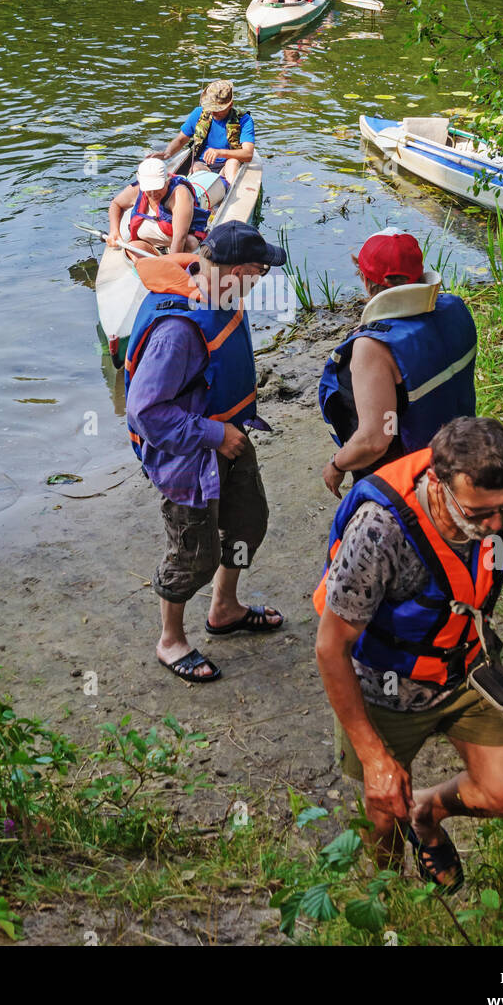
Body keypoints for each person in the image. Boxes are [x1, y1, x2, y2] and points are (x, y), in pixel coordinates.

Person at [315, 416, 503, 892]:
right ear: (437, 484)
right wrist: (375, 760)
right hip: (384, 688)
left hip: (464, 669)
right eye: (478, 514)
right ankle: (392, 896)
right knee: (383, 813)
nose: (497, 525)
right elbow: (330, 648)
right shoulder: (378, 533)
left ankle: (426, 813)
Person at [124, 221, 287, 683]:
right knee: (194, 552)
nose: (262, 279)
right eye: (259, 271)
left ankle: (225, 608)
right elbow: (145, 412)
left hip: (227, 437)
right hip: (188, 456)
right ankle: (170, 640)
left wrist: (227, 435)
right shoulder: (177, 331)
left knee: (248, 524)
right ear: (238, 272)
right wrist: (215, 435)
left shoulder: (220, 293)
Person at [319, 229, 477, 495]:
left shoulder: (373, 346)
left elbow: (374, 441)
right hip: (463, 452)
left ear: (366, 280)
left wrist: (336, 465)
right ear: (420, 273)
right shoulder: (455, 308)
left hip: (416, 479)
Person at [158, 80, 255, 204]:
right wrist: (167, 153)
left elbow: (248, 154)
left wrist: (220, 153)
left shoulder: (244, 120)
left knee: (232, 163)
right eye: (211, 107)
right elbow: (181, 139)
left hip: (227, 166)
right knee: (196, 167)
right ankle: (195, 201)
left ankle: (230, 200)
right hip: (203, 165)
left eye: (218, 109)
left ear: (230, 105)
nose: (213, 112)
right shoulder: (199, 114)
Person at [107, 157, 208, 257]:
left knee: (190, 242)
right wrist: (114, 231)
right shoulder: (135, 189)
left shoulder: (179, 194)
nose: (153, 193)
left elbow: (179, 238)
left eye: (157, 187)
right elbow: (116, 204)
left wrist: (170, 264)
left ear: (167, 180)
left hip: (179, 246)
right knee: (132, 247)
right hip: (151, 246)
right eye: (148, 189)